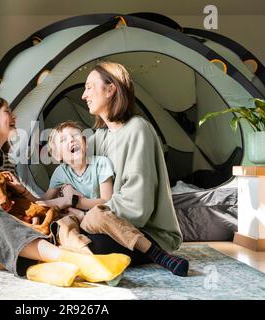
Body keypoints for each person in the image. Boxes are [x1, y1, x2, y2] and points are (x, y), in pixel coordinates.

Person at [0, 96, 131, 287]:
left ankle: (40, 269)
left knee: (35, 217)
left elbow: (22, 203)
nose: (15, 116)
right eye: (7, 111)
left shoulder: (6, 160)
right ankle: (73, 260)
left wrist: (34, 207)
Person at [6, 120, 188, 277]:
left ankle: (158, 254)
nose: (71, 140)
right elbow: (43, 201)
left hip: (95, 217)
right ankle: (92, 265)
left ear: (84, 142)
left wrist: (77, 202)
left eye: (75, 136)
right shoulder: (60, 173)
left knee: (97, 215)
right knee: (62, 227)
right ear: (57, 155)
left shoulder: (100, 164)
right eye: (64, 140)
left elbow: (106, 201)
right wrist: (23, 191)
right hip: (75, 219)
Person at [76, 61, 189, 276]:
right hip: (103, 222)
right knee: (61, 229)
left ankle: (156, 254)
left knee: (92, 244)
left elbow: (137, 206)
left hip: (144, 232)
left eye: (89, 87)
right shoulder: (99, 137)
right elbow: (77, 177)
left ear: (111, 89)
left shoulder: (138, 129)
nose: (84, 95)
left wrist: (86, 213)